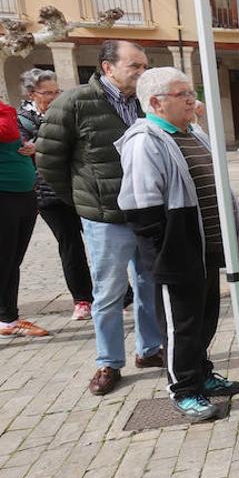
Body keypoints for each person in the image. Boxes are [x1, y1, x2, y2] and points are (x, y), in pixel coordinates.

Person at [115, 67, 239, 420]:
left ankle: (201, 373)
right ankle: (183, 388)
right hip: (178, 252)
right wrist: (165, 258)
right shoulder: (146, 140)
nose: (193, 100)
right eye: (183, 94)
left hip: (205, 248)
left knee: (204, 318)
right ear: (156, 102)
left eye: (191, 92)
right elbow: (142, 210)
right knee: (181, 324)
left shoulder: (193, 133)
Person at [37, 40, 163, 395]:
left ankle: (149, 350)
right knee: (108, 293)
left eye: (144, 66)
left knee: (148, 284)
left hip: (146, 213)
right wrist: (82, 200)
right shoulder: (75, 103)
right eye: (135, 66)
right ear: (108, 67)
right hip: (104, 218)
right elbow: (48, 160)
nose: (142, 72)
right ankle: (108, 362)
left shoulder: (144, 103)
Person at [17, 69, 95, 320]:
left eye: (56, 91)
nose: (53, 96)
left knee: (99, 241)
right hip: (47, 194)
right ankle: (83, 299)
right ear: (31, 93)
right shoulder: (22, 119)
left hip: (79, 186)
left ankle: (122, 293)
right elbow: (22, 148)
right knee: (70, 245)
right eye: (47, 92)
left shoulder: (66, 112)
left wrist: (39, 145)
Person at [0, 97, 45, 338]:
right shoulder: (6, 114)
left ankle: (8, 319)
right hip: (4, 195)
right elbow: (6, 131)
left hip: (22, 194)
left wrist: (29, 148)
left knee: (11, 261)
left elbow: (11, 140)